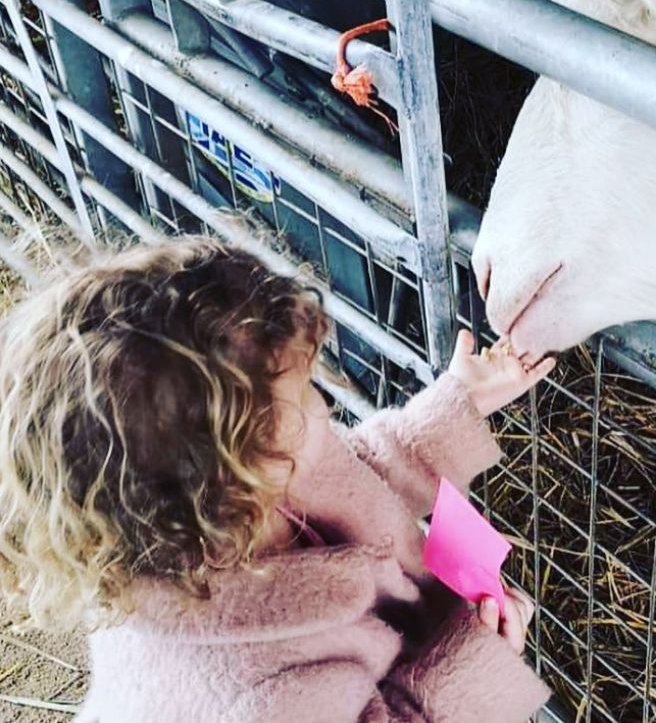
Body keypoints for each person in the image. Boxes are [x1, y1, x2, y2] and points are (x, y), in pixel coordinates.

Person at [0, 237, 554, 722]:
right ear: (243, 472)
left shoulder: (217, 504)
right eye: (307, 390)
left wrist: (459, 401)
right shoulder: (254, 697)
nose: (321, 402)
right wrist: (467, 676)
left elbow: (353, 475)